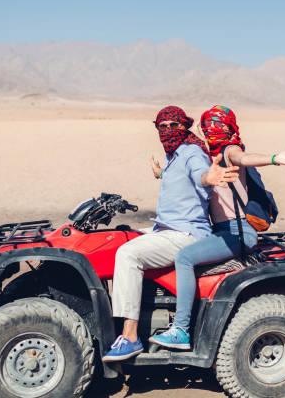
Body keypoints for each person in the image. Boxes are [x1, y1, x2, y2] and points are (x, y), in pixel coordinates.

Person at [149, 105, 285, 349]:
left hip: (237, 231)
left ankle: (181, 329)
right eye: (207, 125)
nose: (212, 130)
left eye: (219, 125)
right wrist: (162, 173)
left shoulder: (228, 151)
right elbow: (195, 177)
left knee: (184, 258)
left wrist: (276, 159)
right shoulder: (206, 157)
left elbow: (243, 158)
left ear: (230, 128)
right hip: (220, 232)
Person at [102, 105, 239, 362]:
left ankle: (130, 336)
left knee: (128, 254)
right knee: (120, 237)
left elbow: (200, 174)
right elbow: (179, 176)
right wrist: (161, 173)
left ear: (184, 127)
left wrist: (209, 177)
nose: (167, 131)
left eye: (173, 126)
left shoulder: (192, 153)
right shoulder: (175, 155)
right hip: (165, 228)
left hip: (185, 233)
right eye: (161, 127)